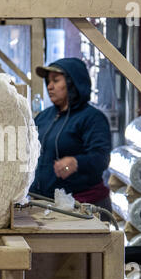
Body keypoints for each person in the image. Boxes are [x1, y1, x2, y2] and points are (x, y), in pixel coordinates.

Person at [29, 57, 113, 216]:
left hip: (84, 205)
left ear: (73, 83)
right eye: (48, 81)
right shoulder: (44, 117)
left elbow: (101, 157)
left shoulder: (92, 118)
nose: (49, 86)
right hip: (47, 203)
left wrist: (76, 162)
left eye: (56, 80)